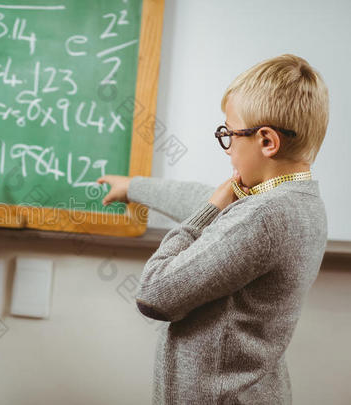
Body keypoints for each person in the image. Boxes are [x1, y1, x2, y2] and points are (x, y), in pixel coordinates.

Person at [99, 54, 329, 404]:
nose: (228, 150)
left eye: (229, 134)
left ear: (267, 141)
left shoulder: (264, 217)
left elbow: (155, 292)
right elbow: (215, 204)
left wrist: (208, 211)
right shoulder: (298, 199)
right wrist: (134, 187)